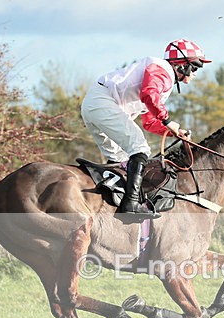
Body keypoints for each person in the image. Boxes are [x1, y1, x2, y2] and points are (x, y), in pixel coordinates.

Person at [81, 39, 212, 220]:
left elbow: (149, 122)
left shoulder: (163, 81)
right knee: (140, 148)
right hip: (102, 103)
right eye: (195, 68)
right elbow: (149, 94)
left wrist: (174, 131)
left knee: (122, 160)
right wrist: (168, 120)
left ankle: (110, 206)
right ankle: (131, 203)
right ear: (181, 66)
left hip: (96, 105)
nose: (195, 74)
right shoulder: (162, 70)